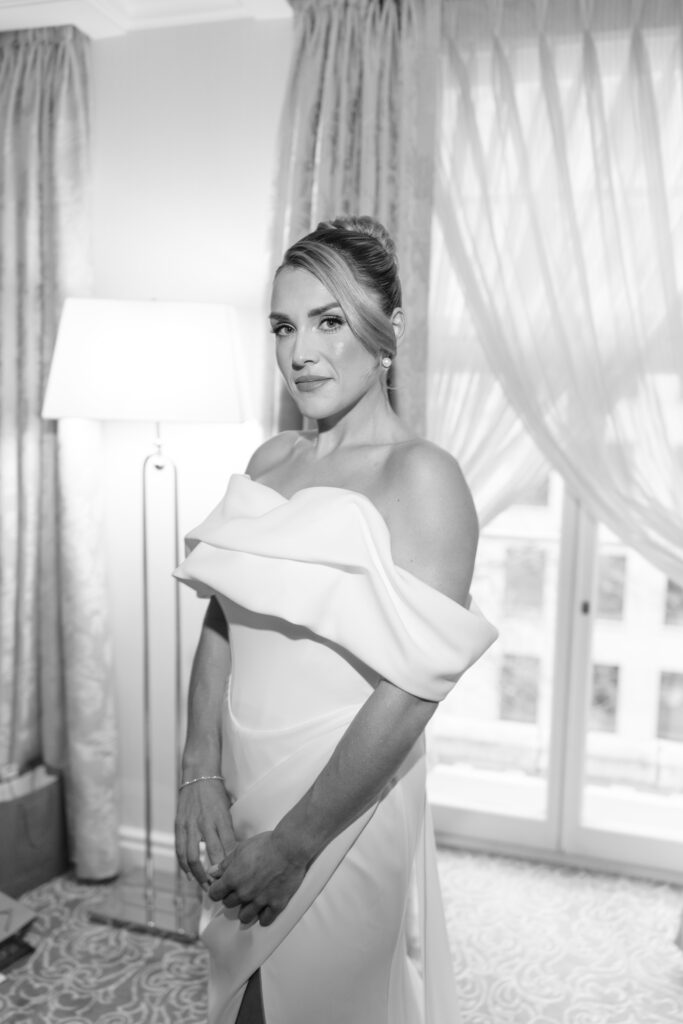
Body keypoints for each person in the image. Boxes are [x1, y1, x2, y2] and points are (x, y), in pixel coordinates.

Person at [173, 215, 498, 1024]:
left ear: (385, 331)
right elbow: (223, 621)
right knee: (238, 995)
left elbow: (412, 691)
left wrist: (295, 844)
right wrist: (198, 766)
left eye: (328, 320)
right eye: (284, 326)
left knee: (325, 1003)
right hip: (248, 776)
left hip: (344, 808)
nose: (299, 352)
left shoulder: (421, 477)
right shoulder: (269, 461)